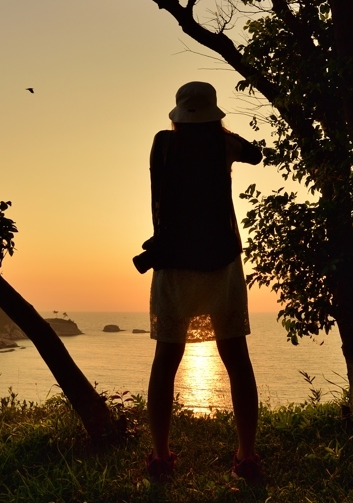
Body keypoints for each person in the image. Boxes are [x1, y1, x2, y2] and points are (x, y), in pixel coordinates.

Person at [141, 81, 264, 484]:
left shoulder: (162, 144)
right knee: (237, 361)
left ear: (177, 114)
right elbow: (257, 154)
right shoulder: (223, 144)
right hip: (221, 266)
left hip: (173, 264)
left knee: (165, 363)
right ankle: (246, 456)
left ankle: (160, 457)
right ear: (213, 113)